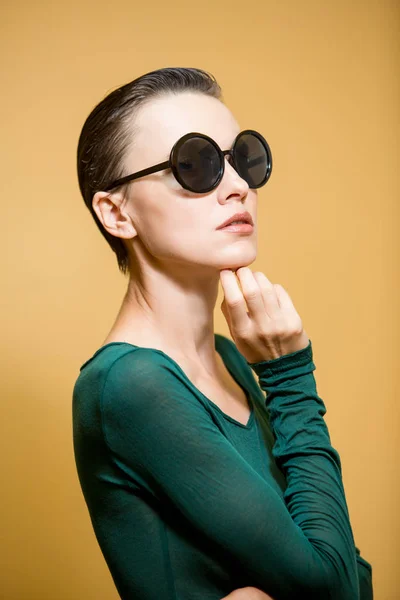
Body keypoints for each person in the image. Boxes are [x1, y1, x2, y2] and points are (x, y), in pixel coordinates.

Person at [72, 67, 373, 600]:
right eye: (196, 165)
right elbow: (332, 586)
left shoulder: (229, 359)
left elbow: (352, 573)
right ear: (117, 213)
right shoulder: (129, 385)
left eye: (245, 159)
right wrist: (289, 376)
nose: (238, 187)